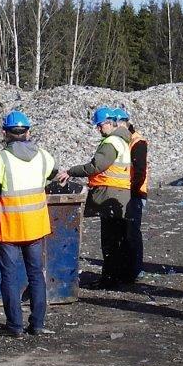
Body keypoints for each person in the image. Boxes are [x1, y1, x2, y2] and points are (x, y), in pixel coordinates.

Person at [0, 111, 57, 337]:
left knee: (10, 277)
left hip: (9, 226)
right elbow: (51, 174)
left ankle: (15, 326)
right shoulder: (43, 156)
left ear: (5, 133)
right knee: (36, 274)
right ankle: (38, 324)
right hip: (36, 225)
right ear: (28, 132)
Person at [56, 106, 131, 289]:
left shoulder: (111, 142)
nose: (98, 129)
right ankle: (118, 276)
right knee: (117, 239)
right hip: (119, 195)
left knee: (110, 240)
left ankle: (109, 279)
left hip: (110, 195)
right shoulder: (121, 140)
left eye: (100, 125)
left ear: (109, 123)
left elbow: (96, 166)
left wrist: (71, 171)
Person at [112, 108, 148, 282]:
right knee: (125, 232)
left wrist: (131, 192)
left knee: (133, 232)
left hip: (134, 193)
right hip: (126, 192)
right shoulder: (123, 140)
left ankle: (135, 270)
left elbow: (140, 172)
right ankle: (127, 268)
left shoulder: (137, 142)